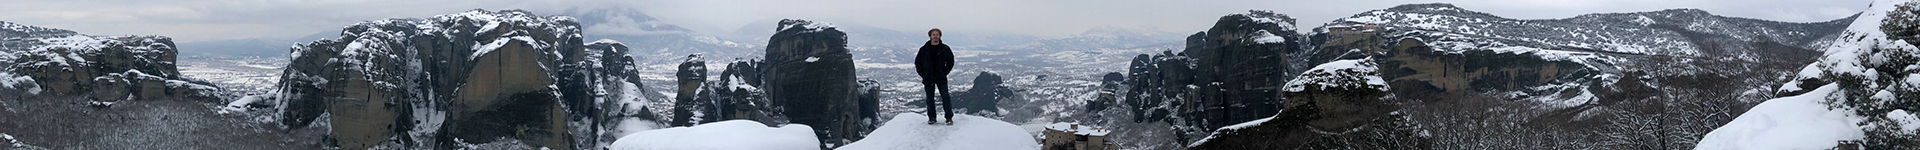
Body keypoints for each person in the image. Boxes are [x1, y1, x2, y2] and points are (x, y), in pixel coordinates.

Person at [916, 28, 955, 125]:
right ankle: (932, 117)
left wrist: (944, 72)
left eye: (937, 34)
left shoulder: (945, 49)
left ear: (940, 36)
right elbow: (918, 63)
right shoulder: (923, 49)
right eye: (933, 34)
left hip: (941, 77)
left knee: (945, 97)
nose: (935, 36)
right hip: (928, 77)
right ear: (930, 36)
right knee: (929, 98)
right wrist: (923, 74)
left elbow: (950, 61)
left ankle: (949, 117)